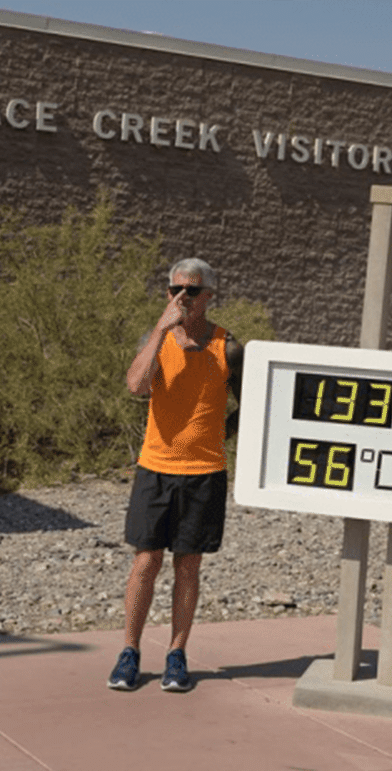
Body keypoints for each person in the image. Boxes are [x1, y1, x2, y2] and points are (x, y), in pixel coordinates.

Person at [108, 258, 242, 693]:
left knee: (188, 565)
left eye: (191, 291)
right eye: (174, 290)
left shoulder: (229, 346)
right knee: (146, 561)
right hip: (155, 469)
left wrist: (224, 432)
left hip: (204, 472)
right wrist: (161, 331)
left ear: (209, 296)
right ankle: (129, 652)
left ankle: (176, 654)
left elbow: (254, 401)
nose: (181, 298)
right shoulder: (155, 338)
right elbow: (135, 386)